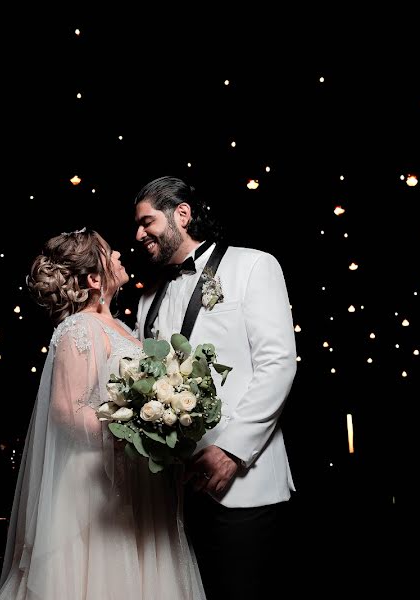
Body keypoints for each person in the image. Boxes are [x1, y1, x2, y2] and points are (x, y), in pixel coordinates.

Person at [0, 228, 207, 599]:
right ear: (94, 280)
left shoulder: (121, 326)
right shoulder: (78, 328)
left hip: (136, 480)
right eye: (110, 254)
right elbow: (67, 410)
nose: (119, 257)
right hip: (97, 484)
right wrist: (136, 428)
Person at [133, 176, 297, 600]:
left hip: (245, 485)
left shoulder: (253, 265)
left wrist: (233, 451)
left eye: (146, 221)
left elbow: (277, 364)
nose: (138, 234)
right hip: (173, 496)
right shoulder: (148, 296)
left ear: (181, 214)